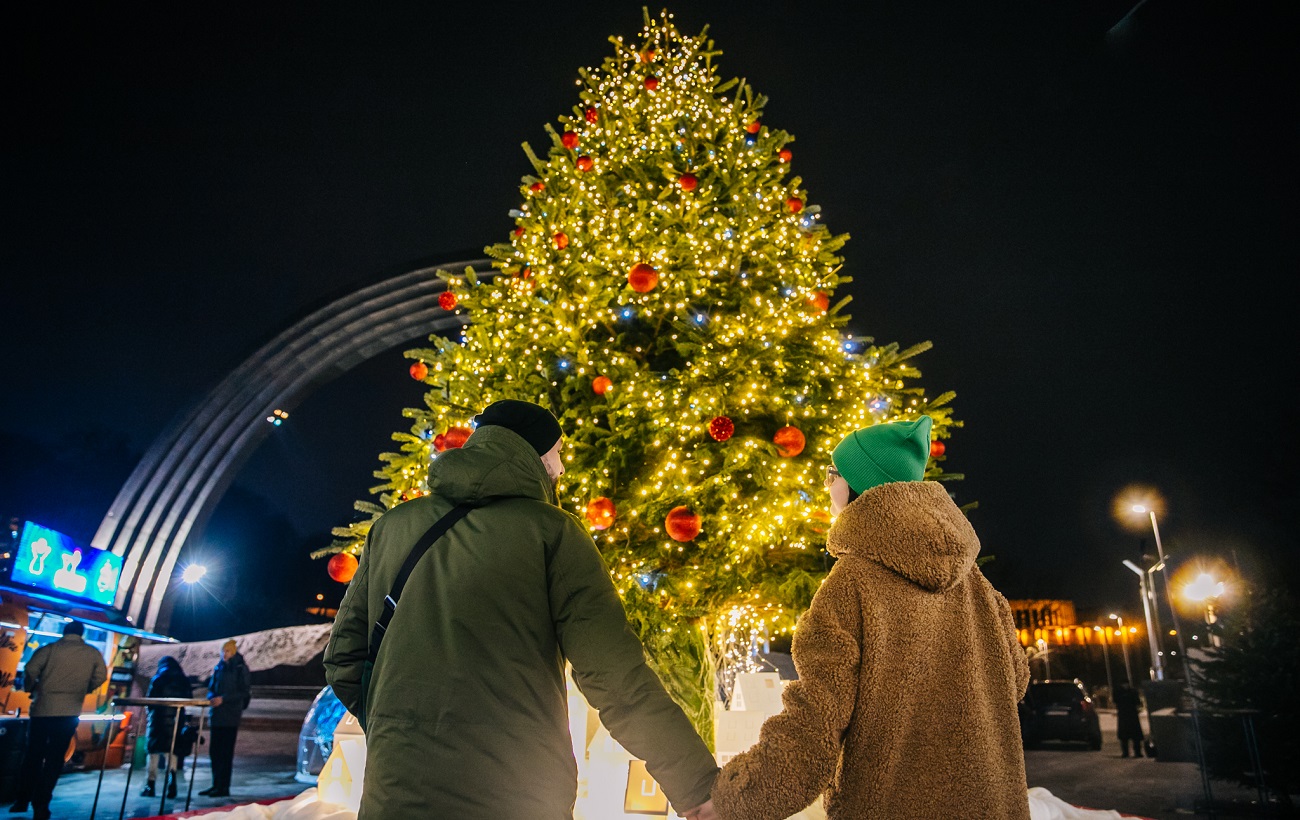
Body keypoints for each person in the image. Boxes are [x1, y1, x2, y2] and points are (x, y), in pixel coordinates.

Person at [325, 399, 718, 819]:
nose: (563, 469)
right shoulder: (553, 533)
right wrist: (696, 786)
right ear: (536, 454)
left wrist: (401, 729)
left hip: (396, 795)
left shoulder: (393, 527)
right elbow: (616, 681)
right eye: (559, 454)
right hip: (518, 794)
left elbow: (344, 659)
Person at [711, 417, 1031, 820]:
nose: (827, 485)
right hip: (993, 806)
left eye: (833, 473)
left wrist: (736, 798)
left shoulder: (852, 584)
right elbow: (1015, 682)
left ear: (860, 483)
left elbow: (815, 725)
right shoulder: (980, 587)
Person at [9, 620, 108, 820]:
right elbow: (101, 677)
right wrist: (85, 689)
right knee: (54, 760)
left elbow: (30, 669)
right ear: (82, 634)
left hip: (42, 710)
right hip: (69, 712)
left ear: (65, 631)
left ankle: (22, 799)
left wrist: (31, 687)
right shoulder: (92, 654)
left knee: (32, 756)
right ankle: (42, 805)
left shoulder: (50, 649)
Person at [201, 639, 250, 797]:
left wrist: (224, 699)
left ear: (233, 652)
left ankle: (223, 786)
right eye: (223, 651)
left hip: (230, 716)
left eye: (227, 651)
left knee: (225, 752)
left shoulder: (239, 668)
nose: (224, 654)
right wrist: (212, 698)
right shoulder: (219, 668)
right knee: (214, 751)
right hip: (217, 715)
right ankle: (216, 783)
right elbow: (211, 688)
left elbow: (244, 692)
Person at [141, 656, 192, 797]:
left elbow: (149, 701)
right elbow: (189, 699)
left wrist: (150, 715)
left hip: (157, 721)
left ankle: (150, 785)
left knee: (153, 753)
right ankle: (172, 784)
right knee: (172, 753)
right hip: (176, 722)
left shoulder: (157, 679)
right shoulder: (183, 680)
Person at [1113, 683, 1146, 758]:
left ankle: (1129, 752)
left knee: (1128, 736)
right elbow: (1137, 701)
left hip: (1125, 715)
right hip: (1131, 715)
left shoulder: (1119, 692)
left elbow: (1115, 700)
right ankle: (1133, 752)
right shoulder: (1131, 691)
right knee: (1132, 736)